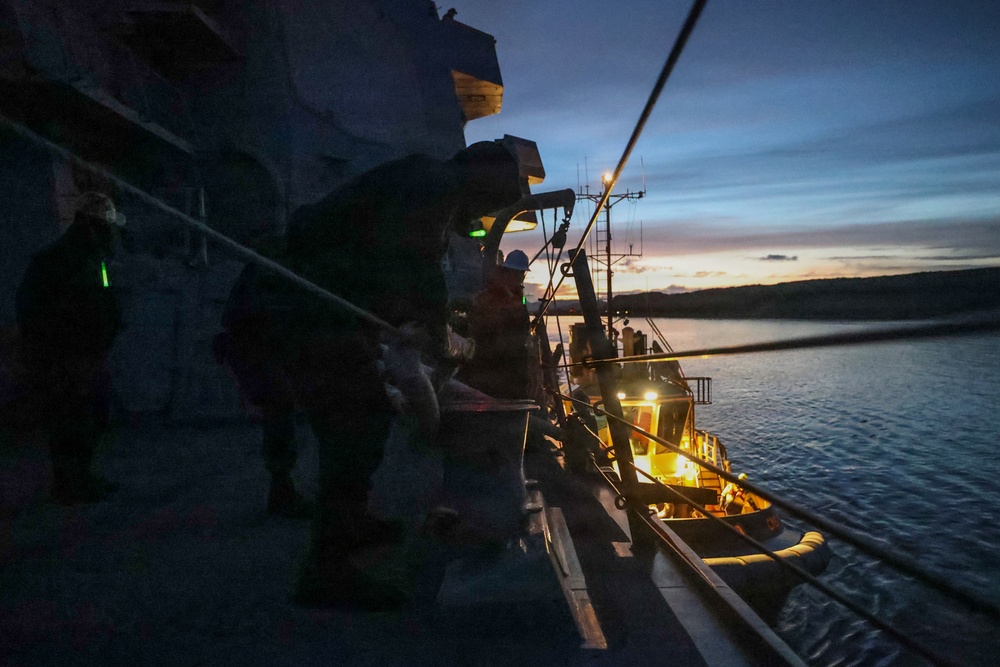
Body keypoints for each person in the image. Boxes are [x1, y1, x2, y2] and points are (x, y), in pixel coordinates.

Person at [218, 141, 523, 608]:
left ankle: (349, 523)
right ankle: (326, 571)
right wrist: (439, 335)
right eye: (492, 202)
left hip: (309, 306)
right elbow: (412, 262)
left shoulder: (424, 182)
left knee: (365, 413)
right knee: (354, 421)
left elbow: (386, 261)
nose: (485, 214)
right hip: (297, 306)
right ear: (480, 183)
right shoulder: (432, 184)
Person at [15, 191, 125, 505]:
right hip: (65, 355)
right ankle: (69, 483)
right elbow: (34, 308)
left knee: (92, 415)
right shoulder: (55, 261)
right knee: (69, 418)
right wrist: (53, 346)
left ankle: (81, 476)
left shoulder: (95, 259)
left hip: (88, 353)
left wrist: (108, 328)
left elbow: (104, 295)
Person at [458, 249, 536, 400]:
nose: (520, 278)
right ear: (508, 272)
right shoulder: (492, 296)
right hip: (497, 367)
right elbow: (486, 329)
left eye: (522, 274)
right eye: (518, 273)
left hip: (509, 367)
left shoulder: (515, 295)